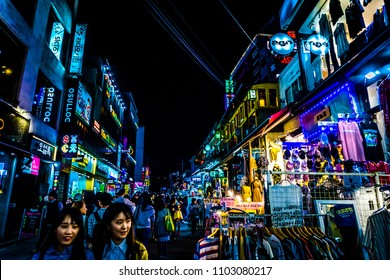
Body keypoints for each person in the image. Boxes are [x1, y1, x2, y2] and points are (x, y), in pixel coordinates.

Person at [153, 195, 170, 259]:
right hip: (166, 227)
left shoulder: (158, 212)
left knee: (159, 242)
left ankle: (160, 254)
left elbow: (157, 221)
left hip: (160, 228)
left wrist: (154, 230)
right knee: (165, 243)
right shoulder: (166, 210)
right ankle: (164, 254)